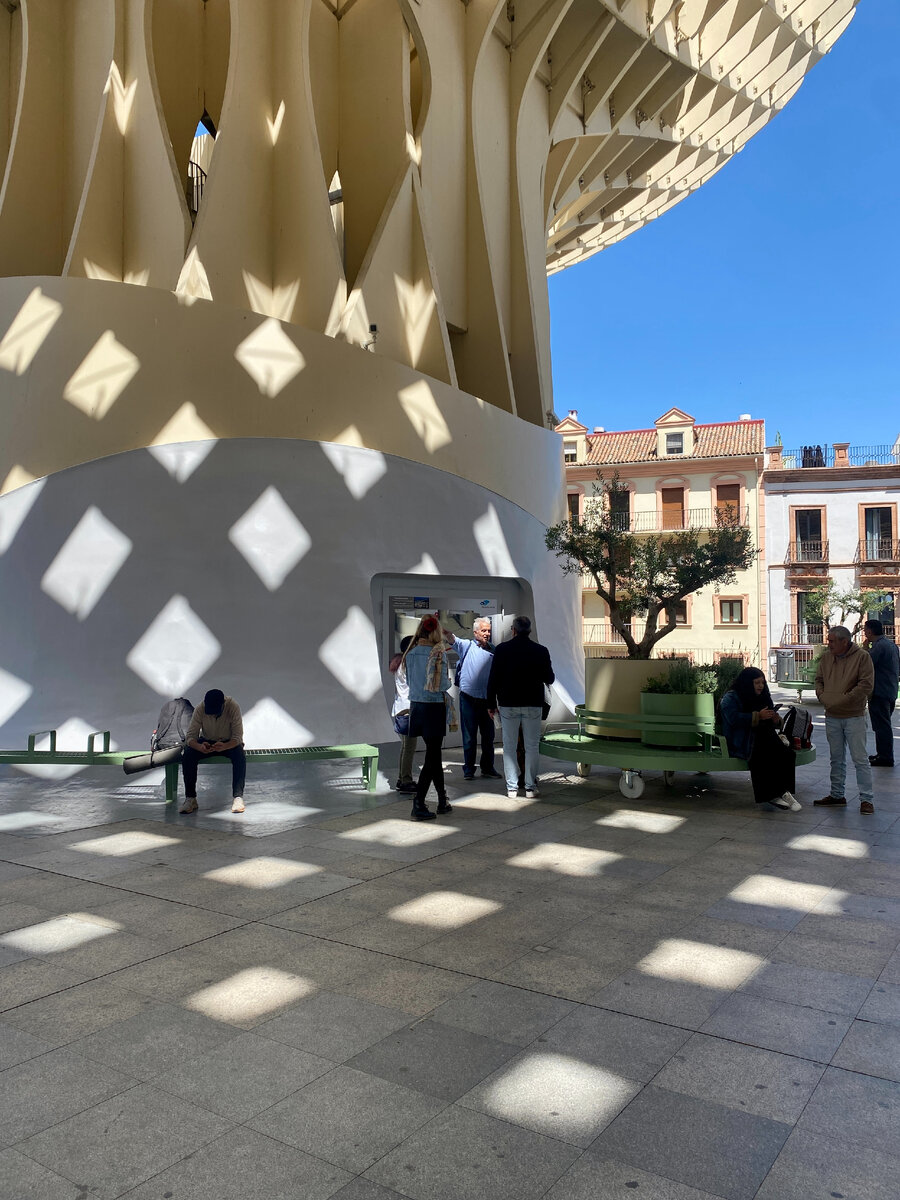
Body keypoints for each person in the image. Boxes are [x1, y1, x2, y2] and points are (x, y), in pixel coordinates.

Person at [487, 615, 554, 800]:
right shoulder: (541, 651)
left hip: (508, 704)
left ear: (513, 630)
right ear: (530, 631)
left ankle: (512, 788)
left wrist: (490, 703)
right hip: (533, 703)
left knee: (508, 746)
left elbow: (493, 679)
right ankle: (530, 787)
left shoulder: (502, 650)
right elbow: (550, 678)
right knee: (532, 746)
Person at [720, 668, 801, 810]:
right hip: (741, 740)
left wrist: (775, 719)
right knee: (762, 752)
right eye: (756, 682)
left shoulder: (762, 696)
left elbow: (768, 719)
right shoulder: (731, 697)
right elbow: (733, 719)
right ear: (747, 683)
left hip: (762, 735)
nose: (761, 686)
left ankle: (783, 792)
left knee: (786, 753)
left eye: (762, 682)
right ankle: (773, 794)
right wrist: (757, 716)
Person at [814, 626, 875, 814]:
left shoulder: (862, 657)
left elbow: (866, 685)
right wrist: (823, 697)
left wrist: (843, 700)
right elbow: (819, 680)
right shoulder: (826, 658)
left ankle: (866, 799)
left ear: (844, 642)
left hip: (854, 716)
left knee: (860, 759)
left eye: (832, 641)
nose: (828, 644)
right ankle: (837, 795)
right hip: (832, 716)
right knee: (836, 758)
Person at [402, 615, 453, 820]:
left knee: (435, 755)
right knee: (432, 758)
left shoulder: (411, 653)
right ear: (435, 632)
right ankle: (419, 803)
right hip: (433, 708)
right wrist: (448, 684)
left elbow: (409, 680)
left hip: (417, 709)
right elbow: (442, 685)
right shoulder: (438, 654)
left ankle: (442, 799)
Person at [450, 617, 502, 780]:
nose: (487, 634)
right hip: (468, 699)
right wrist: (442, 630)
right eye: (484, 630)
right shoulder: (466, 645)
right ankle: (469, 770)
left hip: (487, 700)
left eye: (488, 631)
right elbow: (452, 638)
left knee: (488, 737)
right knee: (469, 736)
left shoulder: (494, 650)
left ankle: (487, 768)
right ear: (475, 632)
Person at [180, 688, 246, 814]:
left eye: (215, 712)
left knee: (239, 755)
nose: (212, 715)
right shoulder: (200, 708)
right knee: (188, 754)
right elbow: (190, 737)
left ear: (223, 705)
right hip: (207, 742)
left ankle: (238, 798)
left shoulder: (233, 707)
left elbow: (238, 737)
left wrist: (226, 746)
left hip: (228, 742)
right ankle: (190, 798)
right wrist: (199, 747)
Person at [863, 619, 899, 767]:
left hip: (880, 691)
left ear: (870, 631)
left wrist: (865, 649)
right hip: (890, 689)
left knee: (882, 725)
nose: (864, 633)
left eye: (865, 630)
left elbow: (867, 665)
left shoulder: (878, 647)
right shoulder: (891, 645)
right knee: (882, 724)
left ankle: (885, 757)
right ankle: (882, 754)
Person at [389, 636, 417, 793]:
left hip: (401, 709)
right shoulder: (408, 663)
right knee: (409, 747)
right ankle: (406, 780)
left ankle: (402, 778)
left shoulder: (399, 662)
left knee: (406, 746)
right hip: (408, 709)